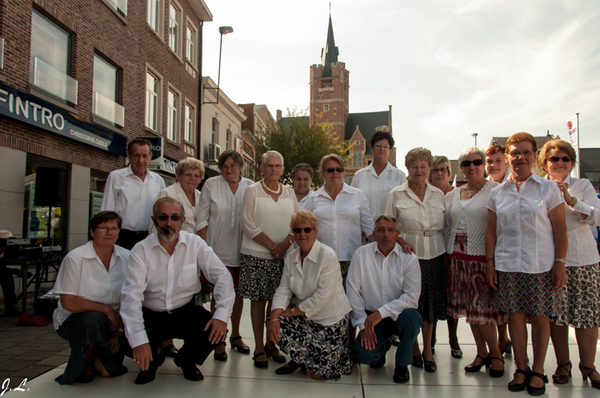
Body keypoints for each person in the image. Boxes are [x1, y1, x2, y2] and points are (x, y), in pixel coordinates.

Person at [485, 132, 567, 395]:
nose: (520, 157)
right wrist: (490, 265)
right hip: (508, 265)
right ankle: (522, 367)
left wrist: (560, 263)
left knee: (541, 318)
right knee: (515, 317)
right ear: (507, 157)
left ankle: (539, 369)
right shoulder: (497, 193)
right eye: (515, 152)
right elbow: (490, 232)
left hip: (539, 265)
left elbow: (560, 230)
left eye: (526, 152)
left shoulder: (548, 188)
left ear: (534, 156)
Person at [120, 197, 235, 384]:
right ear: (153, 219)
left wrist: (221, 315)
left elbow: (222, 276)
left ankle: (186, 359)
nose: (169, 223)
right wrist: (139, 341)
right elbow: (131, 297)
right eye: (162, 217)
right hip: (151, 314)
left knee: (216, 331)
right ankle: (154, 357)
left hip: (185, 312)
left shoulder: (195, 244)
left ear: (182, 220)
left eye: (175, 217)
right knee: (126, 340)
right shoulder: (140, 250)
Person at [538, 140, 600, 389]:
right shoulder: (539, 188)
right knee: (557, 317)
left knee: (587, 317)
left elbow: (596, 218)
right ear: (544, 164)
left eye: (565, 158)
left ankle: (589, 365)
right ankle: (563, 364)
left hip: (584, 261)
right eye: (554, 159)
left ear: (572, 163)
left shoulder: (582, 185)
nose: (560, 162)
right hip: (551, 262)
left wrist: (570, 199)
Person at [268, 210, 352, 380]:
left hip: (330, 319)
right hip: (306, 317)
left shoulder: (327, 256)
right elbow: (283, 289)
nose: (302, 234)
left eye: (307, 229)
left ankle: (307, 359)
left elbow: (322, 297)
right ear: (293, 233)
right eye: (297, 230)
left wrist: (291, 312)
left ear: (316, 231)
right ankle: (303, 358)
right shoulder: (291, 256)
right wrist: (273, 318)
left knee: (317, 375)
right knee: (275, 320)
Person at [446, 147, 508, 377]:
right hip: (457, 259)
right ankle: (481, 352)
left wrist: (495, 260)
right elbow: (447, 226)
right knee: (471, 312)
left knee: (483, 311)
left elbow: (502, 226)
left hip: (482, 258)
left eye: (477, 162)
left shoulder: (496, 190)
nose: (471, 167)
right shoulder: (455, 193)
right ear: (460, 168)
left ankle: (495, 354)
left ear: (483, 165)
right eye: (466, 163)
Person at [384, 147, 446, 373]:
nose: (419, 171)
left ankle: (428, 350)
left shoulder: (439, 195)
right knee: (413, 303)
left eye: (423, 166)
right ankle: (414, 347)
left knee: (430, 304)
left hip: (435, 256)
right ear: (407, 168)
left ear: (429, 168)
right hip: (409, 257)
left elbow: (446, 227)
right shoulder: (396, 195)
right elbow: (388, 228)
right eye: (414, 167)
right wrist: (401, 242)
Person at [52, 211, 129, 384]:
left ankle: (97, 352)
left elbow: (131, 299)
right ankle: (84, 362)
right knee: (94, 319)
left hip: (114, 324)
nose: (109, 232)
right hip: (76, 321)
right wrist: (106, 309)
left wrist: (117, 333)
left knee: (109, 372)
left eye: (113, 228)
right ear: (92, 232)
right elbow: (68, 302)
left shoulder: (128, 257)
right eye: (103, 228)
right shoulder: (75, 258)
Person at [239, 150, 299, 368]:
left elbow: (296, 222)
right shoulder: (252, 191)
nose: (274, 169)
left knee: (277, 302)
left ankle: (271, 344)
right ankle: (258, 347)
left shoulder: (290, 193)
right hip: (257, 255)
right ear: (262, 168)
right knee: (259, 301)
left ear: (283, 169)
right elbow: (247, 223)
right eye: (269, 166)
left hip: (284, 256)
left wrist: (285, 244)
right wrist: (271, 245)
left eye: (277, 166)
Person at [347, 214, 422, 384]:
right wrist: (362, 323)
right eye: (381, 230)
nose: (385, 234)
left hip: (400, 316)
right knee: (364, 356)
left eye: (390, 230)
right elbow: (353, 292)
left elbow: (412, 298)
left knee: (412, 317)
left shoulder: (409, 258)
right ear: (373, 233)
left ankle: (402, 364)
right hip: (372, 319)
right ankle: (382, 347)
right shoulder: (361, 254)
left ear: (398, 234)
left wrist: (381, 313)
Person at [196, 150, 253, 361]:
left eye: (233, 166)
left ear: (241, 166)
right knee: (218, 296)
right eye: (225, 166)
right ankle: (218, 339)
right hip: (216, 250)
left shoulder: (250, 186)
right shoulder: (211, 185)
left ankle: (236, 335)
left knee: (238, 295)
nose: (229, 170)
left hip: (242, 251)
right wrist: (204, 251)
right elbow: (201, 220)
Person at [304, 154, 374, 283]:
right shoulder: (313, 198)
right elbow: (304, 228)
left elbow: (369, 226)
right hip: (321, 260)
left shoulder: (357, 195)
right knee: (324, 300)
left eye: (339, 169)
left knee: (349, 300)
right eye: (330, 170)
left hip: (351, 260)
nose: (335, 173)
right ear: (323, 173)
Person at [101, 138, 165, 250]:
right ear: (129, 156)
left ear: (150, 157)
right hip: (122, 238)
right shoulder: (115, 177)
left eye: (144, 156)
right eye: (136, 155)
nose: (141, 160)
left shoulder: (158, 181)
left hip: (149, 239)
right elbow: (106, 212)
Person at [428, 155, 461, 358]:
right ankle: (430, 340)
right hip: (433, 249)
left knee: (451, 297)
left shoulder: (457, 194)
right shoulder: (427, 194)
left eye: (443, 169)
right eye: (436, 170)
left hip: (455, 250)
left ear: (449, 172)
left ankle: (453, 339)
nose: (439, 173)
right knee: (432, 295)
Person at [351, 131, 406, 220]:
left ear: (390, 150)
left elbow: (403, 205)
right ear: (372, 148)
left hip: (388, 231)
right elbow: (352, 204)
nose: (382, 149)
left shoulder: (399, 176)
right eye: (378, 146)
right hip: (363, 231)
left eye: (385, 146)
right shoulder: (359, 176)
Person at [151, 157, 204, 234]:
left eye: (196, 176)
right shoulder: (167, 194)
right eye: (188, 175)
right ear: (178, 176)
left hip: (196, 244)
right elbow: (155, 227)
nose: (192, 179)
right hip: (173, 243)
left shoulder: (201, 196)